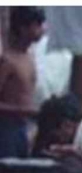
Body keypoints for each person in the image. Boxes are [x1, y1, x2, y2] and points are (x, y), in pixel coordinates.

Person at [0, 8, 45, 159]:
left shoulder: (29, 58)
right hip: (6, 130)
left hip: (24, 128)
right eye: (36, 25)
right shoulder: (7, 61)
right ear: (23, 29)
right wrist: (24, 110)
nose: (41, 30)